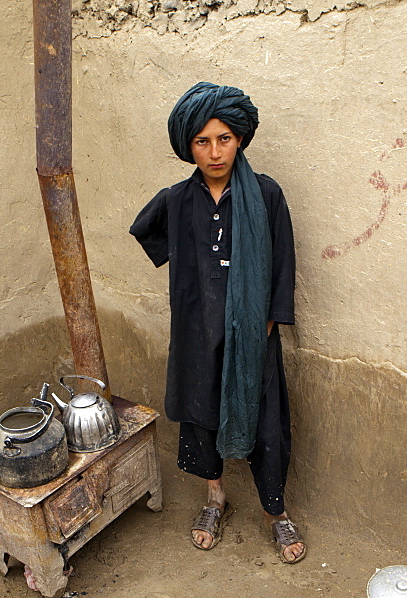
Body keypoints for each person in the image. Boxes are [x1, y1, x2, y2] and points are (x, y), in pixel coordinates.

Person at [129, 82, 304, 564]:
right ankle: (215, 497)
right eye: (202, 141)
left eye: (223, 138)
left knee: (267, 423)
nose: (214, 151)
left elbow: (284, 262)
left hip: (253, 336)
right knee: (201, 415)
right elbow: (148, 232)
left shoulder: (266, 196)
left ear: (240, 139)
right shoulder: (177, 200)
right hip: (196, 331)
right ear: (188, 145)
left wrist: (267, 322)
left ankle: (274, 511)